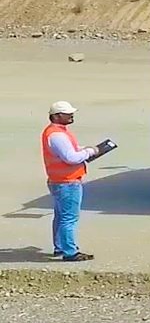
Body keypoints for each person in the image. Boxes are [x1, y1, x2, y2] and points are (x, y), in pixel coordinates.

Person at [42, 101, 97, 262]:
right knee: (69, 218)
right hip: (67, 182)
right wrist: (90, 151)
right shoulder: (57, 135)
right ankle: (70, 251)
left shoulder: (55, 132)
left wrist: (80, 149)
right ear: (57, 116)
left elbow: (67, 151)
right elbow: (71, 158)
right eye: (68, 113)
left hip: (58, 180)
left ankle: (60, 246)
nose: (71, 115)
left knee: (60, 216)